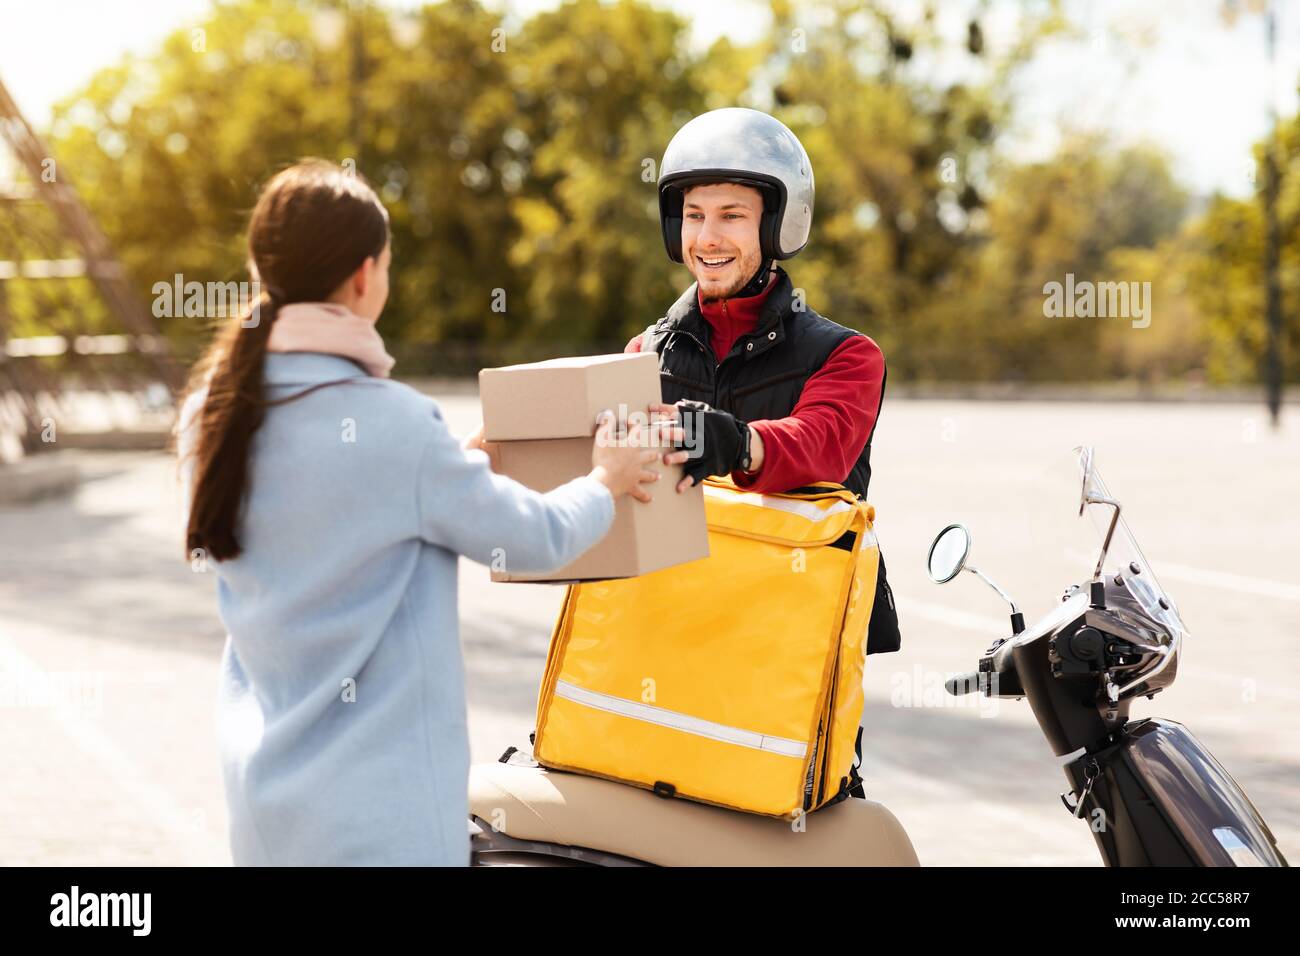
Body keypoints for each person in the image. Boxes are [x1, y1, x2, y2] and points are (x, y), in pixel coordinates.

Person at [176, 159, 675, 865]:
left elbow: (330, 512)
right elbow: (535, 539)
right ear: (363, 275)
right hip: (382, 826)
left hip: (265, 817)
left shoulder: (210, 416)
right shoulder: (397, 426)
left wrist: (446, 470)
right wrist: (607, 477)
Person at [633, 109, 902, 798]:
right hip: (667, 642)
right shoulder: (642, 356)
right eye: (694, 215)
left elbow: (821, 446)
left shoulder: (846, 356)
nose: (707, 237)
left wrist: (732, 440)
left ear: (778, 226)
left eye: (731, 215)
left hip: (792, 654)